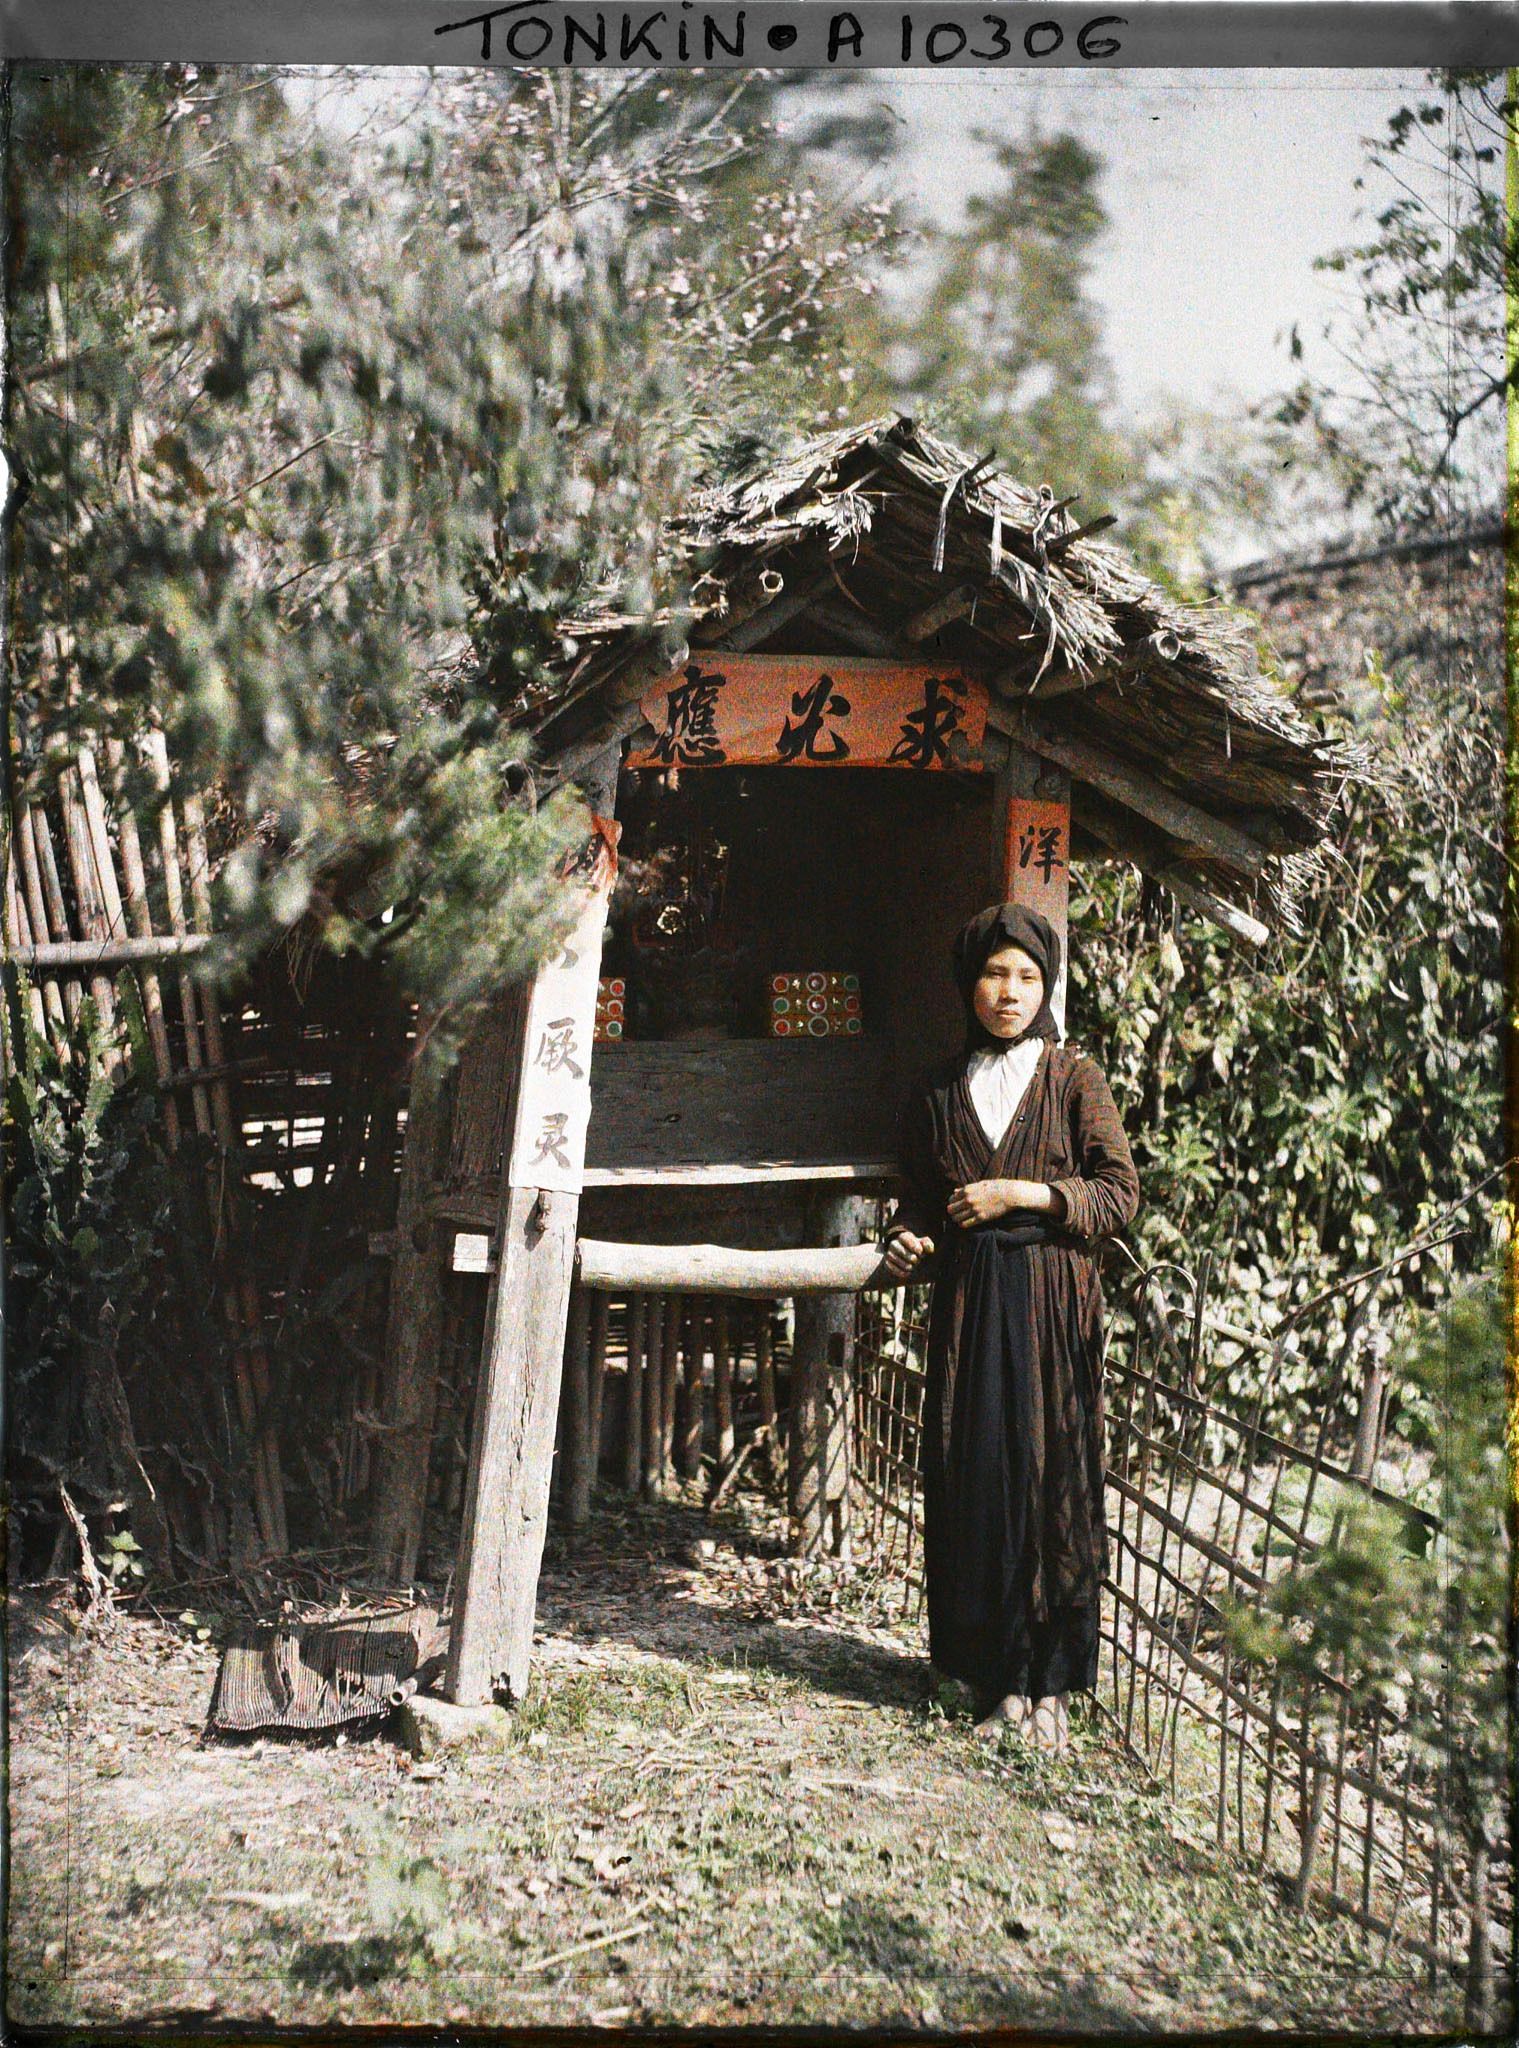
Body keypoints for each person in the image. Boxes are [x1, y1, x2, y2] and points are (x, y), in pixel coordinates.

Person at [881, 903, 1139, 1754]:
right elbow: (920, 1195)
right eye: (994, 974)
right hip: (968, 1305)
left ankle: (1050, 1688)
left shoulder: (1072, 1080)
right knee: (975, 1478)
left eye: (1026, 977)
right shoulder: (937, 1089)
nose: (1009, 992)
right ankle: (991, 1678)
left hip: (1050, 1305)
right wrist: (909, 1233)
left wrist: (1023, 1194)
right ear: (969, 983)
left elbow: (1118, 1196)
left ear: (1046, 986)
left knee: (1050, 1484)